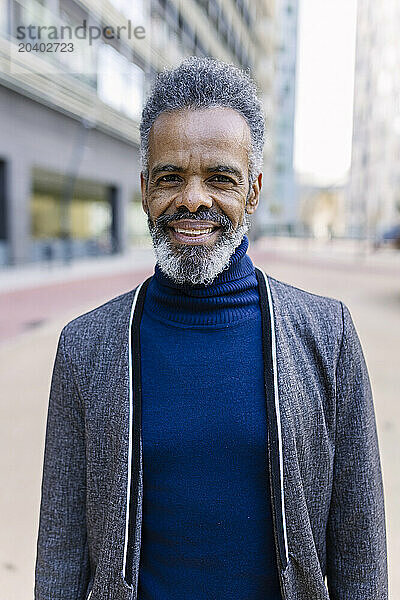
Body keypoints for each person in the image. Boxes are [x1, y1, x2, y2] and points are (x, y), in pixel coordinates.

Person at [34, 57, 388, 600]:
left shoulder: (328, 336)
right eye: (170, 177)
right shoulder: (85, 347)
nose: (193, 198)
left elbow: (360, 551)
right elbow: (60, 549)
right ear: (145, 188)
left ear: (253, 191)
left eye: (220, 178)